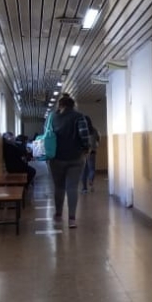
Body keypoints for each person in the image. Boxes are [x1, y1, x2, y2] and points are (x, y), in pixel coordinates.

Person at [42, 94, 91, 229]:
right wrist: (86, 148)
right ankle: (72, 219)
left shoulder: (51, 117)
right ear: (73, 105)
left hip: (56, 158)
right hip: (76, 158)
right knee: (72, 187)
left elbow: (46, 135)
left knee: (59, 187)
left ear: (60, 105)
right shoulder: (79, 116)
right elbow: (84, 135)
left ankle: (58, 214)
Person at [80, 115, 100, 193]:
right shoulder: (94, 130)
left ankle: (84, 189)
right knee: (91, 169)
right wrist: (95, 146)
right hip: (92, 152)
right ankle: (91, 180)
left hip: (83, 152)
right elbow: (98, 139)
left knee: (83, 171)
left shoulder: (81, 130)